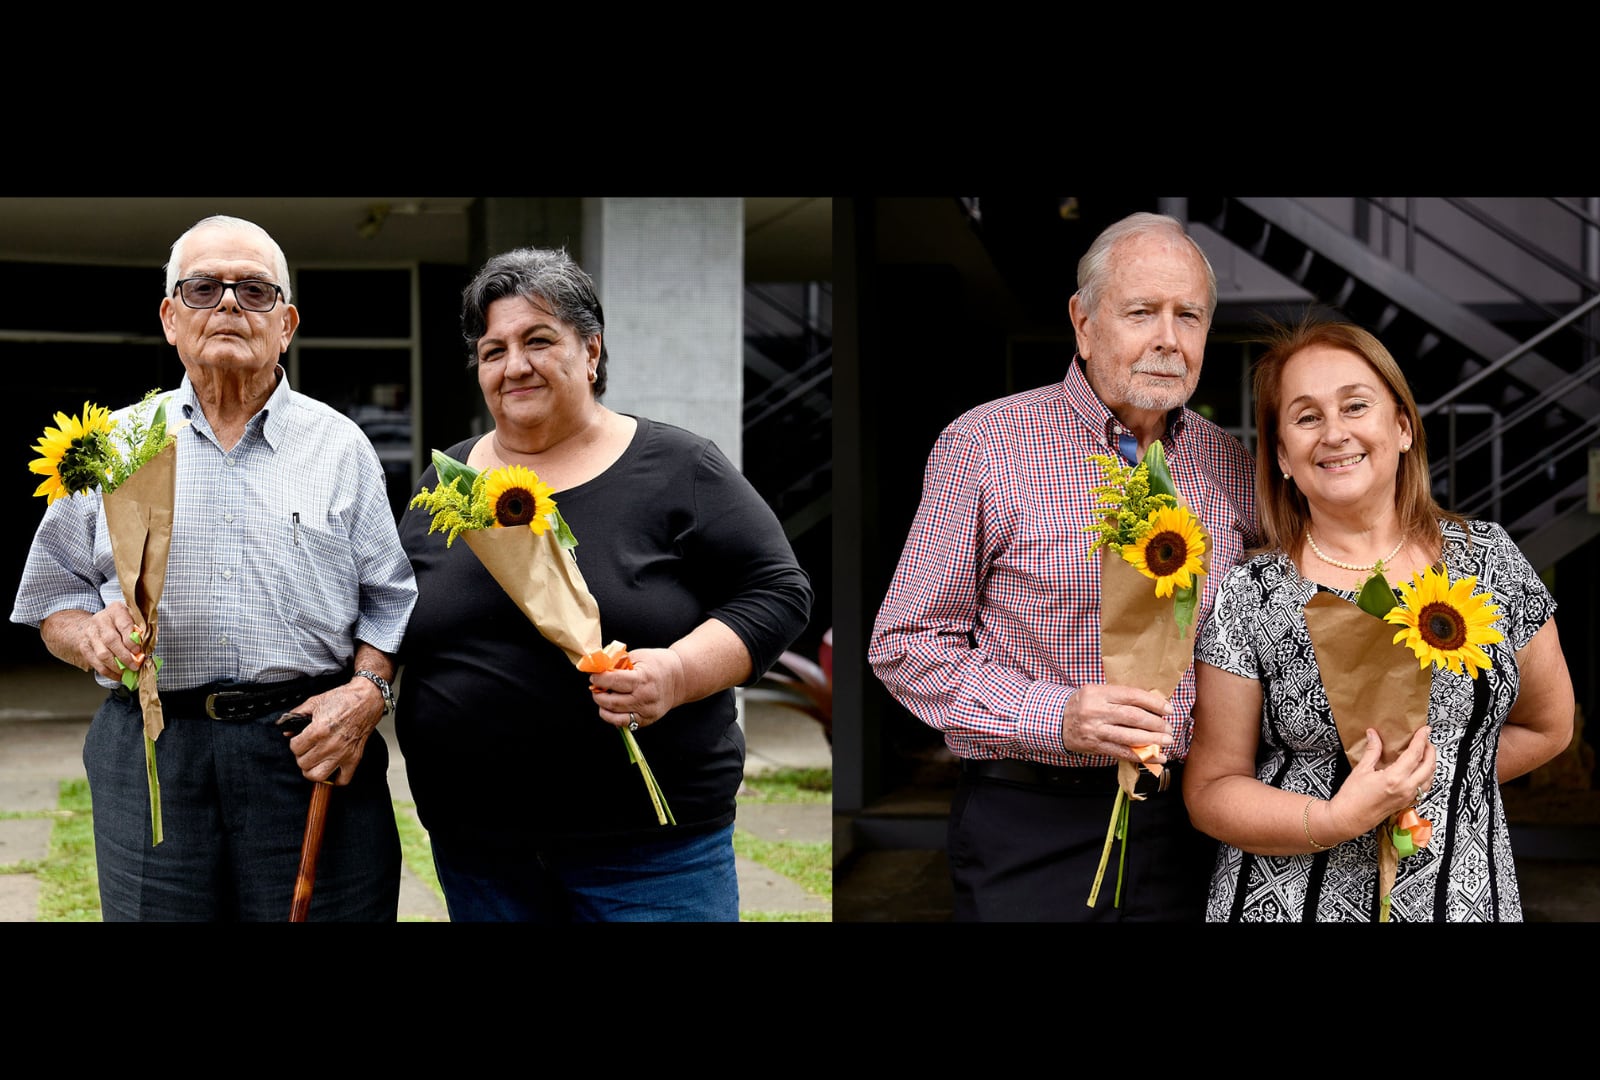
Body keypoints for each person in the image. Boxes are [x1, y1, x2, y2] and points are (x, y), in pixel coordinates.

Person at [10, 215, 418, 921]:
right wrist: (90, 634)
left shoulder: (341, 446)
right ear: (170, 318)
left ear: (286, 324)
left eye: (255, 291)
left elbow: (390, 600)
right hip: (152, 750)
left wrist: (367, 694)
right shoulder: (110, 446)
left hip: (308, 746)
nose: (229, 303)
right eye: (203, 288)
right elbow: (52, 597)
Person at [394, 246, 812, 922]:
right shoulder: (449, 485)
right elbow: (396, 610)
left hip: (648, 858)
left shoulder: (679, 466)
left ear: (590, 351)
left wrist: (677, 673)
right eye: (493, 350)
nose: (515, 365)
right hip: (480, 853)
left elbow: (778, 591)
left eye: (538, 340)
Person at [868, 212, 1258, 921]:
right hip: (1030, 820)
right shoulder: (984, 444)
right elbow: (905, 645)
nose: (1168, 339)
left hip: (1192, 827)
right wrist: (1056, 715)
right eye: (1141, 312)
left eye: (1189, 315)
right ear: (1083, 321)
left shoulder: (1229, 462)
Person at [1183, 318, 1575, 922]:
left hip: (1462, 903)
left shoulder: (1489, 562)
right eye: (1306, 417)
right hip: (1290, 904)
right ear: (1283, 455)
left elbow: (1550, 727)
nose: (1334, 433)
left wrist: (1432, 782)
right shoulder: (1251, 593)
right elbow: (1211, 790)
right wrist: (1336, 816)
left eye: (1356, 405)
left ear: (1402, 427)